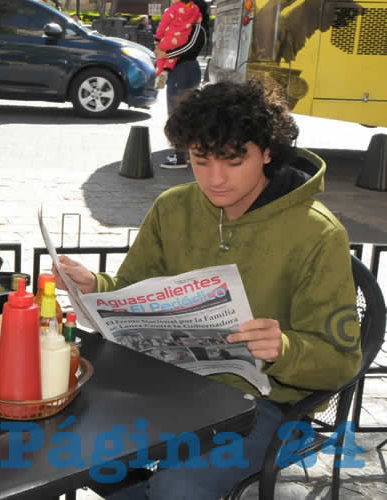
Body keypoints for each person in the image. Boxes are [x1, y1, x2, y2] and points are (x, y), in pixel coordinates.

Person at [53, 80, 361, 500]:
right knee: (65, 446)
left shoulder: (317, 233)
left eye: (234, 162)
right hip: (169, 385)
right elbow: (132, 292)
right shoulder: (173, 207)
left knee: (178, 488)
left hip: (266, 406)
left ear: (268, 152)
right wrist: (95, 287)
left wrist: (284, 349)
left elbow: (341, 364)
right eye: (201, 160)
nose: (215, 179)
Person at [155, 0, 208, 169]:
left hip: (185, 69)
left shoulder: (197, 29)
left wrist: (166, 53)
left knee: (180, 112)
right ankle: (183, 153)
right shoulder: (182, 25)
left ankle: (180, 156)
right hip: (178, 70)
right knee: (176, 111)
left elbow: (190, 48)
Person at [153, 1, 202, 89]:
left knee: (160, 56)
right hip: (181, 39)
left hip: (169, 37)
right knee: (173, 56)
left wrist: (157, 38)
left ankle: (159, 74)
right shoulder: (195, 9)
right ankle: (165, 72)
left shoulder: (173, 9)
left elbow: (163, 24)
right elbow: (198, 18)